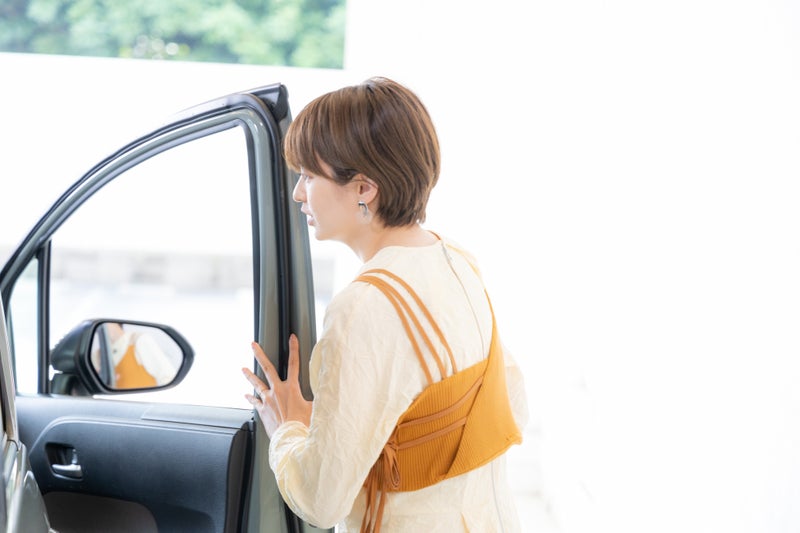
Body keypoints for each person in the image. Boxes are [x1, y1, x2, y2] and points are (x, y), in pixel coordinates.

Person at [241, 77, 529, 532]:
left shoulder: (364, 307)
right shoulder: (455, 261)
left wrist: (290, 430)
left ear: (364, 188)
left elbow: (321, 500)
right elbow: (508, 402)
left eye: (310, 176)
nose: (298, 193)